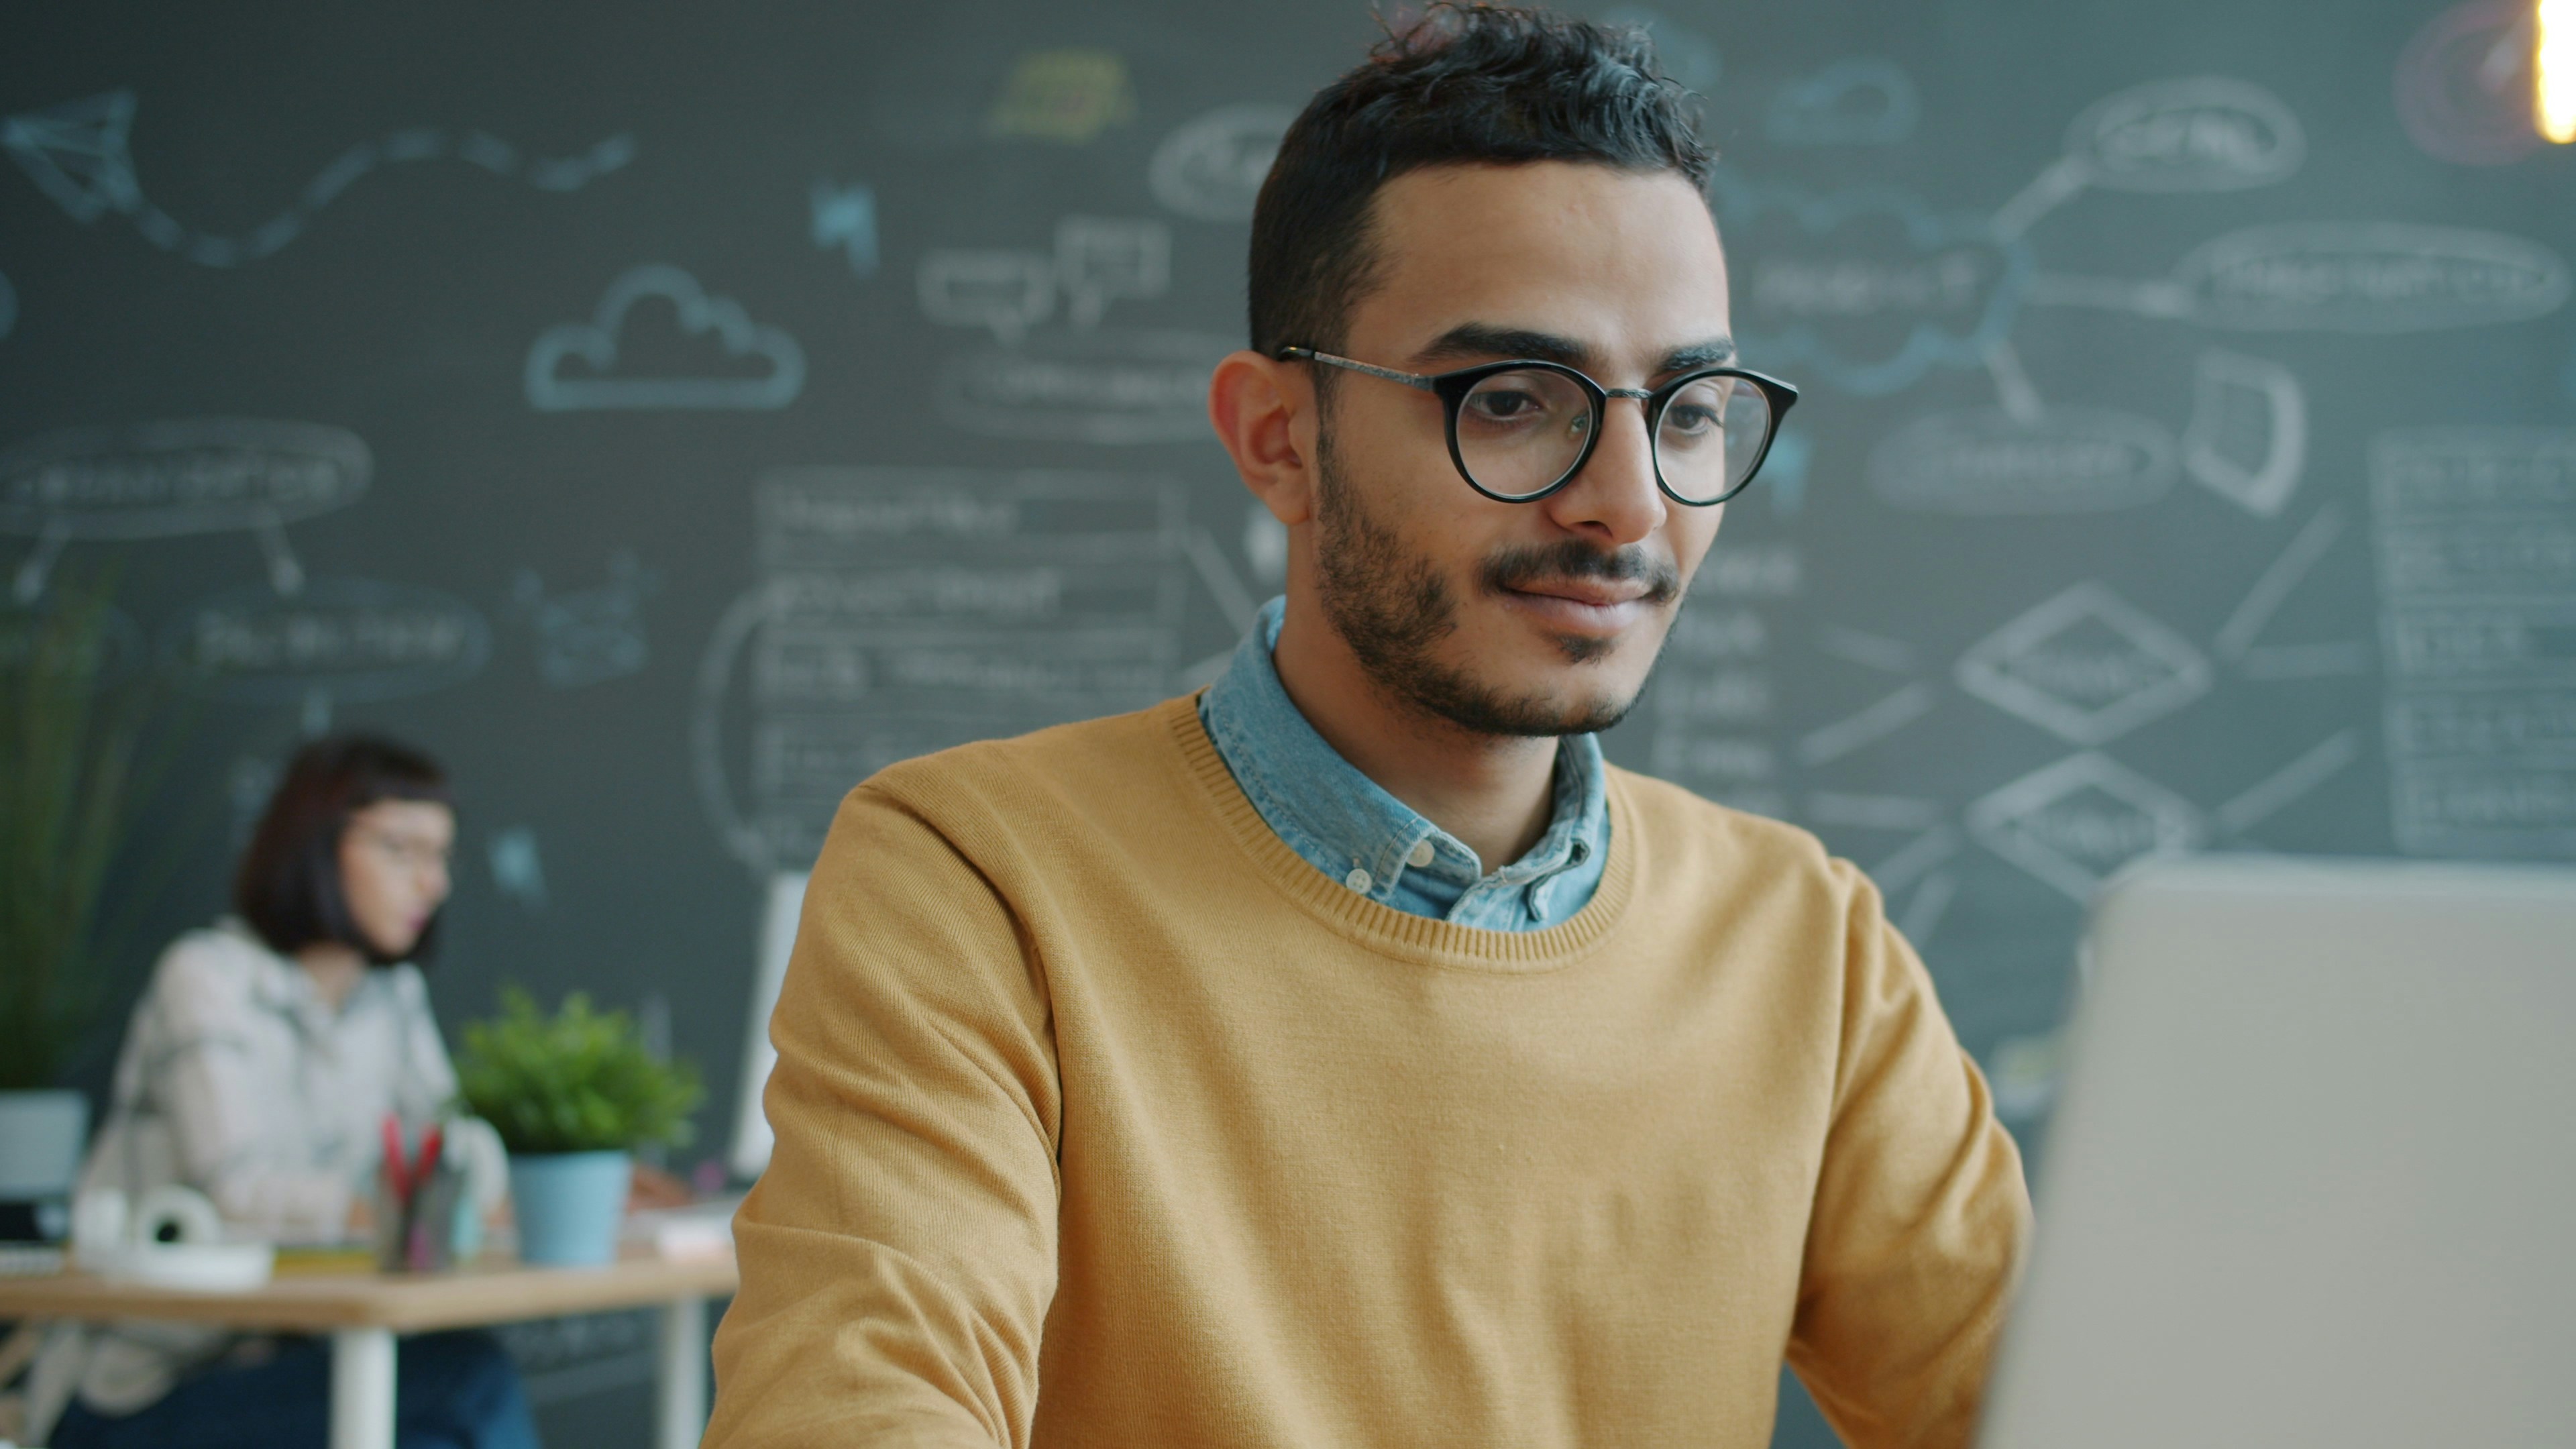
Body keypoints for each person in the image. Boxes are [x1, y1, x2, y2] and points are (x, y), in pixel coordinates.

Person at [708, 8, 2030, 1447]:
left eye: (1688, 411)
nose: (1632, 504)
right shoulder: (979, 880)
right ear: (1280, 439)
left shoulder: (1810, 951)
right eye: (1516, 401)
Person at [30, 735, 539, 1449]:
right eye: (404, 850)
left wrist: (512, 1187)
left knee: (433, 1434)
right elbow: (238, 1194)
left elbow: (447, 1155)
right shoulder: (207, 976)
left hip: (303, 1363)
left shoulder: (391, 996)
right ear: (318, 843)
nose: (434, 883)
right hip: (135, 1392)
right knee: (466, 1376)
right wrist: (395, 1208)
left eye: (441, 856)